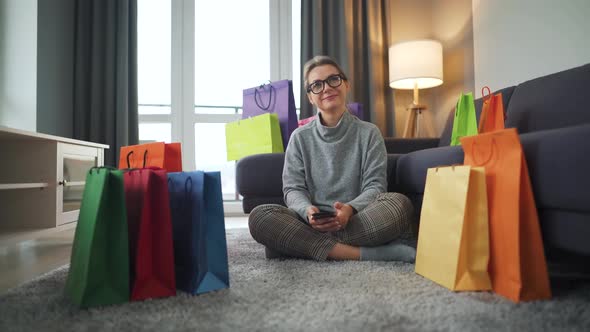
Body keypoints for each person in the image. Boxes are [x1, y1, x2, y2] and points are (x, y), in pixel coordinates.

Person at [248, 55, 416, 262]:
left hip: (356, 218)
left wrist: (349, 209)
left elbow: (375, 186)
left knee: (399, 205)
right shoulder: (299, 137)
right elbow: (293, 190)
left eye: (333, 80)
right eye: (316, 85)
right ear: (310, 97)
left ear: (346, 84)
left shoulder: (369, 133)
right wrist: (307, 211)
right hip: (308, 221)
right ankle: (361, 253)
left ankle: (297, 245)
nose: (326, 88)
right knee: (260, 217)